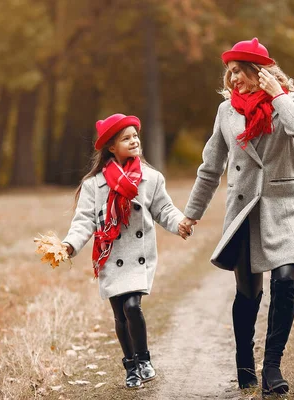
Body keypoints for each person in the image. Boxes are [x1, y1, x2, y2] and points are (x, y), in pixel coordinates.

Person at [181, 38, 294, 396]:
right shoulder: (226, 112)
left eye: (239, 70)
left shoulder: (290, 102)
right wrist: (191, 214)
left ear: (260, 72)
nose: (232, 78)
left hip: (284, 206)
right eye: (230, 71)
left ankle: (272, 367)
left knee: (285, 280)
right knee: (248, 294)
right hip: (243, 211)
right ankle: (244, 364)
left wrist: (278, 94)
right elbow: (210, 168)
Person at [61, 113, 192, 389]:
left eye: (135, 136)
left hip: (137, 254)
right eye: (126, 138)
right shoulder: (93, 185)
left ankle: (144, 359)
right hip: (109, 255)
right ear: (111, 146)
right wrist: (69, 245)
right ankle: (130, 365)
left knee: (133, 306)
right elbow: (84, 220)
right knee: (120, 315)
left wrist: (179, 222)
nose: (134, 141)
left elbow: (163, 208)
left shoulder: (151, 178)